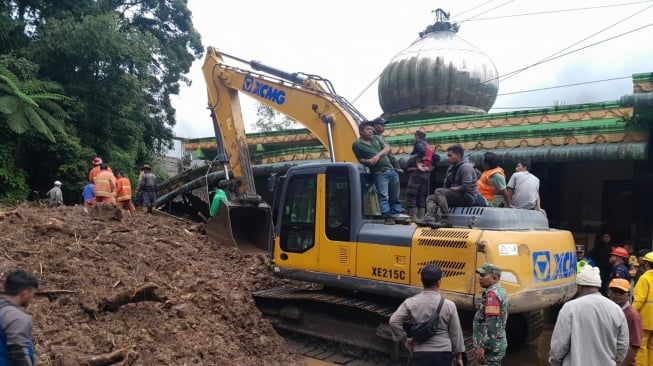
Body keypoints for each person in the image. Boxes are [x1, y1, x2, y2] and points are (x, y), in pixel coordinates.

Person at [549, 266, 628, 366]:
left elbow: (559, 346)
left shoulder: (570, 308)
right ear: (598, 286)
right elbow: (622, 346)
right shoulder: (616, 309)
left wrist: (555, 362)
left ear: (580, 287)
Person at [389, 264, 465, 366]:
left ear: (422, 281)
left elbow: (393, 321)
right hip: (443, 354)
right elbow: (456, 334)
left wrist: (404, 340)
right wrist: (458, 357)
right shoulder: (449, 305)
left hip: (420, 353)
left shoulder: (411, 302)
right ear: (439, 282)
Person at [352, 122, 404, 225]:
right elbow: (360, 159)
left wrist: (376, 157)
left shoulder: (376, 138)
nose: (370, 131)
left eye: (371, 129)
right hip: (379, 173)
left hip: (391, 170)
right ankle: (387, 217)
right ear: (361, 132)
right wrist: (369, 162)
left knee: (395, 196)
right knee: (384, 196)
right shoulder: (357, 145)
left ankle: (396, 215)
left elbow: (387, 148)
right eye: (367, 129)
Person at [417, 144, 477, 228]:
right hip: (456, 196)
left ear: (458, 155)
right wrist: (446, 191)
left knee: (439, 191)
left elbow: (468, 186)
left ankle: (446, 219)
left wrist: (453, 189)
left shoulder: (465, 167)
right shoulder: (451, 168)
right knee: (431, 198)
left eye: (450, 155)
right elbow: (446, 186)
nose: (447, 158)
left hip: (467, 197)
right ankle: (429, 218)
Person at [0, 269, 39, 366]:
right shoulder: (17, 317)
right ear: (25, 293)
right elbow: (19, 352)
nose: (32, 298)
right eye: (32, 294)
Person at [473, 263, 509, 366]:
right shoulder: (500, 291)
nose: (480, 278)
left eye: (483, 276)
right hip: (496, 344)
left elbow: (492, 324)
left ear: (494, 278)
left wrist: (482, 346)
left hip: (490, 348)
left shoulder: (492, 296)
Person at [608, 278, 643, 366]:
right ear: (608, 293)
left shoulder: (632, 316)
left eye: (621, 292)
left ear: (628, 295)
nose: (617, 295)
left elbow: (634, 345)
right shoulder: (608, 310)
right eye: (614, 291)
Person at [405, 130, 438, 220]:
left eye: (414, 137)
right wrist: (431, 168)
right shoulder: (429, 146)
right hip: (425, 175)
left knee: (411, 194)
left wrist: (418, 162)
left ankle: (413, 217)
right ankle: (421, 218)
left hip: (416, 173)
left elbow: (421, 151)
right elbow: (437, 158)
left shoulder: (419, 143)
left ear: (417, 137)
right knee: (421, 196)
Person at [633, 251, 653, 366]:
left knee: (641, 346)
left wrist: (629, 313)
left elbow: (639, 300)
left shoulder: (644, 278)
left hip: (645, 320)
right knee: (651, 347)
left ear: (646, 264)